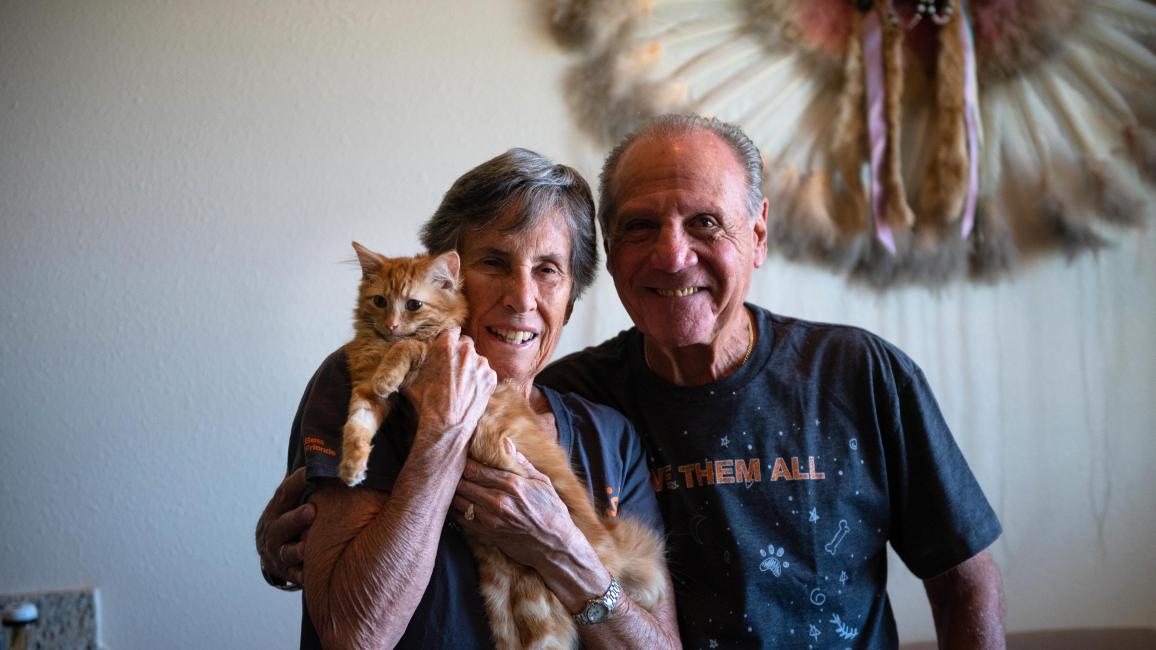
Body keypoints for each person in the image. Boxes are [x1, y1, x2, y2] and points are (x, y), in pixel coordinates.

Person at [261, 115, 1006, 648]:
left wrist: (563, 548)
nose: (672, 256)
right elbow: (355, 620)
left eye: (706, 223)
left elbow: (965, 580)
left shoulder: (854, 375)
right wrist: (312, 533)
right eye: (642, 228)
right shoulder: (574, 392)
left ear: (758, 235)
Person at [257, 148, 680, 649]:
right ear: (441, 281)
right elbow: (353, 636)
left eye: (548, 269)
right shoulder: (366, 382)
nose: (522, 298)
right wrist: (443, 434)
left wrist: (560, 548)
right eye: (494, 262)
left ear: (571, 296)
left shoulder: (608, 433)